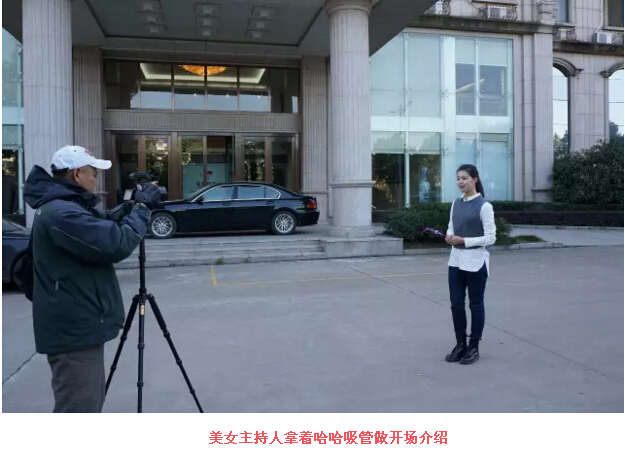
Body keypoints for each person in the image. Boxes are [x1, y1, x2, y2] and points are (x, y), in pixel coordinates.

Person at [23, 145, 161, 413]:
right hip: (73, 333)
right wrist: (143, 208)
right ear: (77, 174)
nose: (96, 179)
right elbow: (116, 243)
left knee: (89, 403)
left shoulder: (66, 207)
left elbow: (104, 221)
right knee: (80, 409)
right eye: (93, 173)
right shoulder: (62, 213)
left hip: (79, 326)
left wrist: (131, 205)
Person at [444, 164, 496, 365]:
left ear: (475, 179)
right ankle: (460, 344)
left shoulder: (484, 206)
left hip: (476, 262)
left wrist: (464, 240)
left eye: (464, 178)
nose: (460, 182)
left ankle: (474, 346)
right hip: (455, 261)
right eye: (458, 178)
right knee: (456, 303)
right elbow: (451, 226)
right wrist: (449, 236)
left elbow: (491, 238)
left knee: (476, 304)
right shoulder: (455, 203)